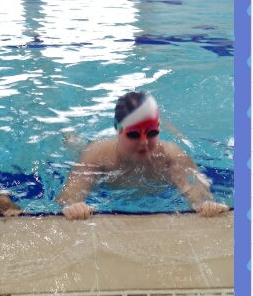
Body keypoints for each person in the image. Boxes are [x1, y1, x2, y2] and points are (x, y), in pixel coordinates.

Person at [57, 91, 230, 220]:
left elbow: (195, 192)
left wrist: (205, 204)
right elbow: (70, 194)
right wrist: (74, 205)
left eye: (152, 133)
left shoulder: (171, 156)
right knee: (78, 148)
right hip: (100, 170)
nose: (144, 143)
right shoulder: (98, 154)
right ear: (118, 130)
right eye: (133, 134)